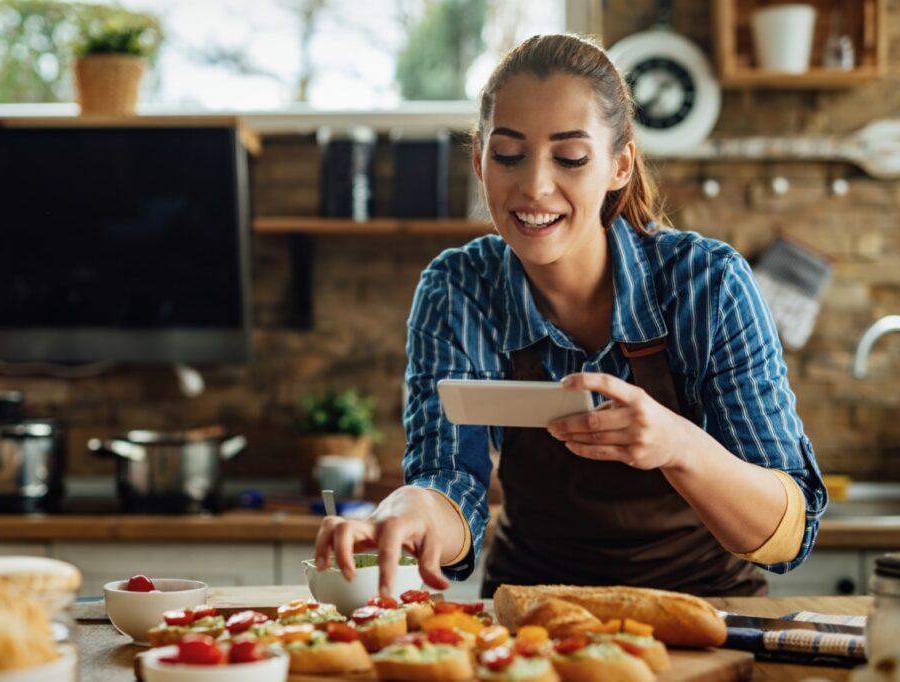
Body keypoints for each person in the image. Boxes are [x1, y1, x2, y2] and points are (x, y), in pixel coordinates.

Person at [314, 33, 827, 599]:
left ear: (619, 165)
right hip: (531, 610)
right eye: (508, 155)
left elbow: (789, 535)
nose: (535, 186)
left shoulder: (708, 284)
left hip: (703, 608)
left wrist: (678, 446)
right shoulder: (457, 289)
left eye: (571, 158)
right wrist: (412, 507)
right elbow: (450, 481)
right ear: (480, 162)